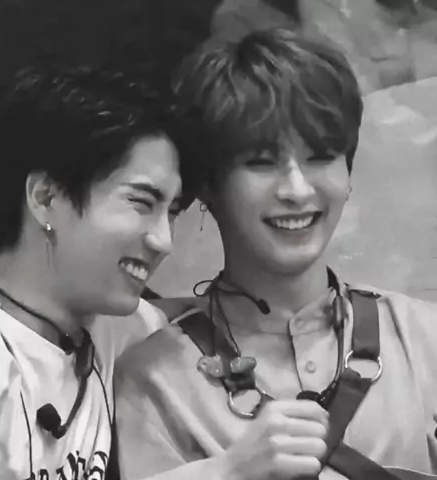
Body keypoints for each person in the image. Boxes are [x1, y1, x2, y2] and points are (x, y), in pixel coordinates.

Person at [113, 29, 437, 480]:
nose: (297, 190)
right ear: (207, 185)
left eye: (321, 156)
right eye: (261, 162)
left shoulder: (424, 338)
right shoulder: (153, 380)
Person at [0, 62, 207, 479]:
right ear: (46, 198)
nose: (164, 241)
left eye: (172, 211)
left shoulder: (128, 332)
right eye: (141, 202)